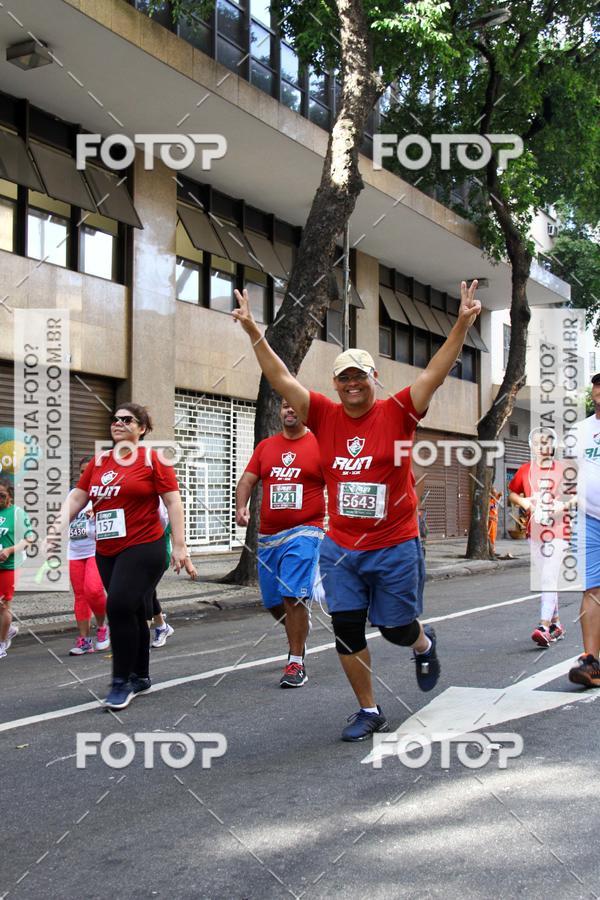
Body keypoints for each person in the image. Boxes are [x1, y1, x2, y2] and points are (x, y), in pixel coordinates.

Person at [232, 280, 481, 740]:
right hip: (342, 546)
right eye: (343, 377)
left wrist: (462, 324)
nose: (351, 384)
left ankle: (423, 642)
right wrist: (253, 330)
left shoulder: (399, 412)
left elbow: (436, 371)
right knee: (347, 629)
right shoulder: (322, 415)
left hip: (395, 543)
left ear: (372, 379)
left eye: (358, 376)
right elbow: (280, 378)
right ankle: (369, 710)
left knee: (395, 628)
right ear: (335, 385)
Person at [50, 404, 188, 709]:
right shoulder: (100, 462)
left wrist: (179, 545)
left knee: (119, 605)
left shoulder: (153, 460)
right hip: (107, 549)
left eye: (127, 420)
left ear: (142, 428)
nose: (118, 423)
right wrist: (57, 526)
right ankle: (141, 675)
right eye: (115, 419)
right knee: (135, 611)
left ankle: (120, 682)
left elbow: (173, 503)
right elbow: (78, 496)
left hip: (145, 546)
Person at [236, 398, 325, 687]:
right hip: (269, 536)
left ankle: (296, 663)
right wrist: (241, 506)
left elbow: (337, 482)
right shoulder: (266, 447)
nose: (290, 410)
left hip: (306, 531)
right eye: (285, 405)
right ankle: (299, 626)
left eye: (296, 405)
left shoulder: (320, 445)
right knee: (273, 601)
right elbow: (247, 480)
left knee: (292, 594)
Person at [509, 428, 568, 647]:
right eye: (536, 442)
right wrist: (524, 502)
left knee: (548, 577)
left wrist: (561, 506)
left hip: (558, 531)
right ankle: (557, 624)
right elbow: (513, 492)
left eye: (545, 442)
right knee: (546, 577)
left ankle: (543, 627)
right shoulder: (525, 470)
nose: (540, 446)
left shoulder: (562, 470)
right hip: (533, 533)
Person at [569, 373, 600, 687]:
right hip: (589, 519)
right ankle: (591, 661)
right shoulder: (579, 431)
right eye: (597, 384)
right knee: (592, 589)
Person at [68, 457, 109, 655]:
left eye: (89, 470)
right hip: (74, 550)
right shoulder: (73, 495)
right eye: (82, 471)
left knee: (93, 590)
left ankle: (102, 627)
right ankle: (84, 640)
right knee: (80, 596)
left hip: (95, 549)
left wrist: (97, 514)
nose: (86, 474)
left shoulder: (104, 495)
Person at [150, 498, 198, 648]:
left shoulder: (164, 500)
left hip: (159, 553)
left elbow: (175, 535)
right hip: (136, 553)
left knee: (144, 593)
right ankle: (162, 626)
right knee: (147, 593)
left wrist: (187, 561)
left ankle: (138, 644)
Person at [0, 477, 34, 659]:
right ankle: (9, 629)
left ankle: (2, 643)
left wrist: (10, 550)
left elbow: (29, 538)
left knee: (4, 605)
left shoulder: (17, 513)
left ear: (10, 496)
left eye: (2, 495)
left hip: (9, 565)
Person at [488, 489, 502, 556]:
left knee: (493, 537)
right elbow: (485, 513)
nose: (495, 495)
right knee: (491, 537)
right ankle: (491, 551)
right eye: (493, 493)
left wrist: (499, 495)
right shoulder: (488, 502)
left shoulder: (494, 501)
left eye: (495, 493)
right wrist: (491, 517)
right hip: (490, 521)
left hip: (494, 521)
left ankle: (492, 550)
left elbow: (498, 498)